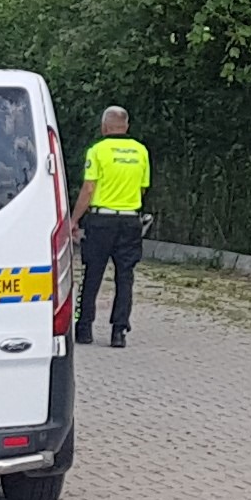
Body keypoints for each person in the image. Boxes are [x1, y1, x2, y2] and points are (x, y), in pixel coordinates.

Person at [71, 104, 151, 348]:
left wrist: (74, 219)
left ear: (104, 126)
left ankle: (84, 328)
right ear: (126, 126)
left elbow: (89, 188)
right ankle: (119, 331)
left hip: (101, 220)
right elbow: (142, 187)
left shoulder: (97, 151)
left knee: (92, 273)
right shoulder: (141, 151)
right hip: (130, 220)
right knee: (125, 276)